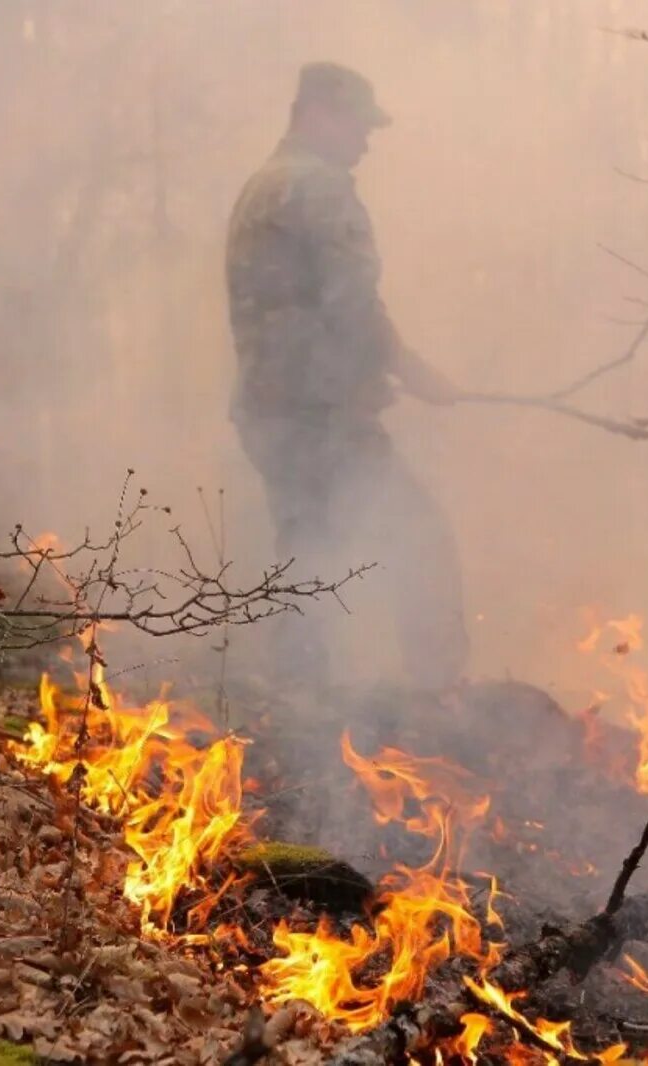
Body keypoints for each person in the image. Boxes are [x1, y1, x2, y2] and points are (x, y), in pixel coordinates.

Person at [226, 61, 468, 691]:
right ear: (320, 114)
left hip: (271, 410)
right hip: (319, 417)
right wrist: (409, 371)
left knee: (307, 554)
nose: (364, 142)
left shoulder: (262, 186)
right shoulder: (318, 187)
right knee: (419, 540)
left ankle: (299, 705)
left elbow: (299, 308)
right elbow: (351, 299)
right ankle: (438, 698)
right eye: (359, 125)